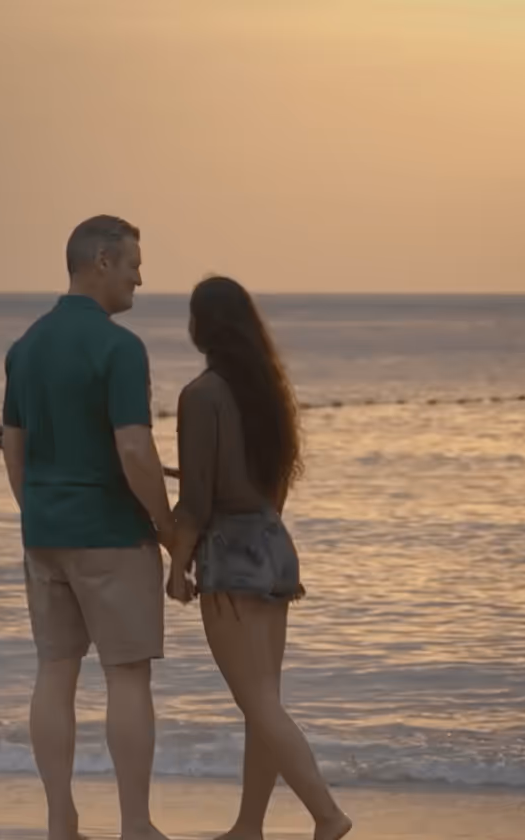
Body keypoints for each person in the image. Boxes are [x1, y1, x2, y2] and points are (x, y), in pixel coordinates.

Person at [1, 215, 175, 840]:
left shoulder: (26, 346)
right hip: (111, 533)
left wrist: (36, 510)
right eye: (133, 265)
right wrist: (167, 526)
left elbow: (12, 447)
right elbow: (134, 447)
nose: (139, 279)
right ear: (101, 261)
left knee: (55, 670)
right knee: (126, 674)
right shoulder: (119, 348)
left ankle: (60, 821)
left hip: (44, 533)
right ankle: (136, 825)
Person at [166, 276, 352, 840]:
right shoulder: (269, 392)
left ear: (201, 327)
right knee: (264, 701)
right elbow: (277, 486)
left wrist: (176, 565)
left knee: (259, 703)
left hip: (231, 553)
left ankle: (327, 815)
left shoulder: (202, 396)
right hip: (273, 543)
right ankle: (249, 826)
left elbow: (196, 501)